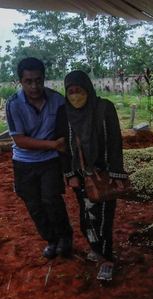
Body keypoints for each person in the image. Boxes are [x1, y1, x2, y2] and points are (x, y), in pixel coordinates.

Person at [56, 70, 128, 281]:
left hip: (104, 174)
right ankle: (97, 249)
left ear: (87, 89)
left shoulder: (104, 108)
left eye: (79, 90)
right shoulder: (64, 113)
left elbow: (115, 142)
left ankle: (106, 260)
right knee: (86, 217)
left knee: (103, 217)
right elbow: (62, 146)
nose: (75, 95)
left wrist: (116, 172)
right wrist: (70, 174)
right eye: (70, 91)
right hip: (80, 176)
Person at [6, 57, 73, 259]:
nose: (34, 86)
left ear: (44, 78)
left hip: (50, 160)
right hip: (24, 161)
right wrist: (54, 144)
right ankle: (51, 240)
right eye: (28, 81)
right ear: (20, 82)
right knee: (34, 204)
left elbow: (68, 128)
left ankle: (65, 238)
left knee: (51, 200)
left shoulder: (58, 100)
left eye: (38, 80)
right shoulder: (13, 104)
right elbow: (20, 140)